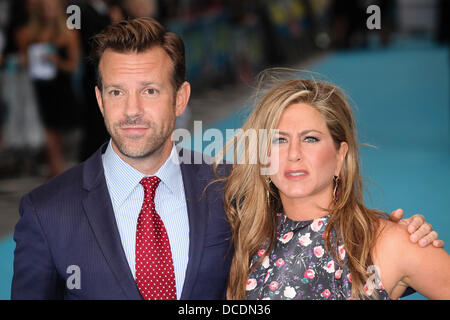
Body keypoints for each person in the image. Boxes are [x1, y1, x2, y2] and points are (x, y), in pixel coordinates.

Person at [11, 18, 443, 300]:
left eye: (150, 90)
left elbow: (324, 243)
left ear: (180, 98)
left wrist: (399, 260)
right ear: (99, 100)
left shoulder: (230, 188)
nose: (132, 111)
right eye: (117, 92)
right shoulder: (48, 212)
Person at [218, 78, 450, 300]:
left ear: (340, 155)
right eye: (279, 140)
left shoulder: (390, 241)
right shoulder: (247, 243)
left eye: (310, 139)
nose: (293, 154)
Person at [16, 0, 80, 177]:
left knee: (59, 132)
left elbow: (73, 65)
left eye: (52, 8)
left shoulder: (69, 33)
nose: (49, 12)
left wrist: (56, 61)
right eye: (46, 9)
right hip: (41, 87)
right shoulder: (29, 34)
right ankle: (56, 171)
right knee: (49, 131)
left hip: (61, 87)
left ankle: (57, 170)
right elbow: (24, 60)